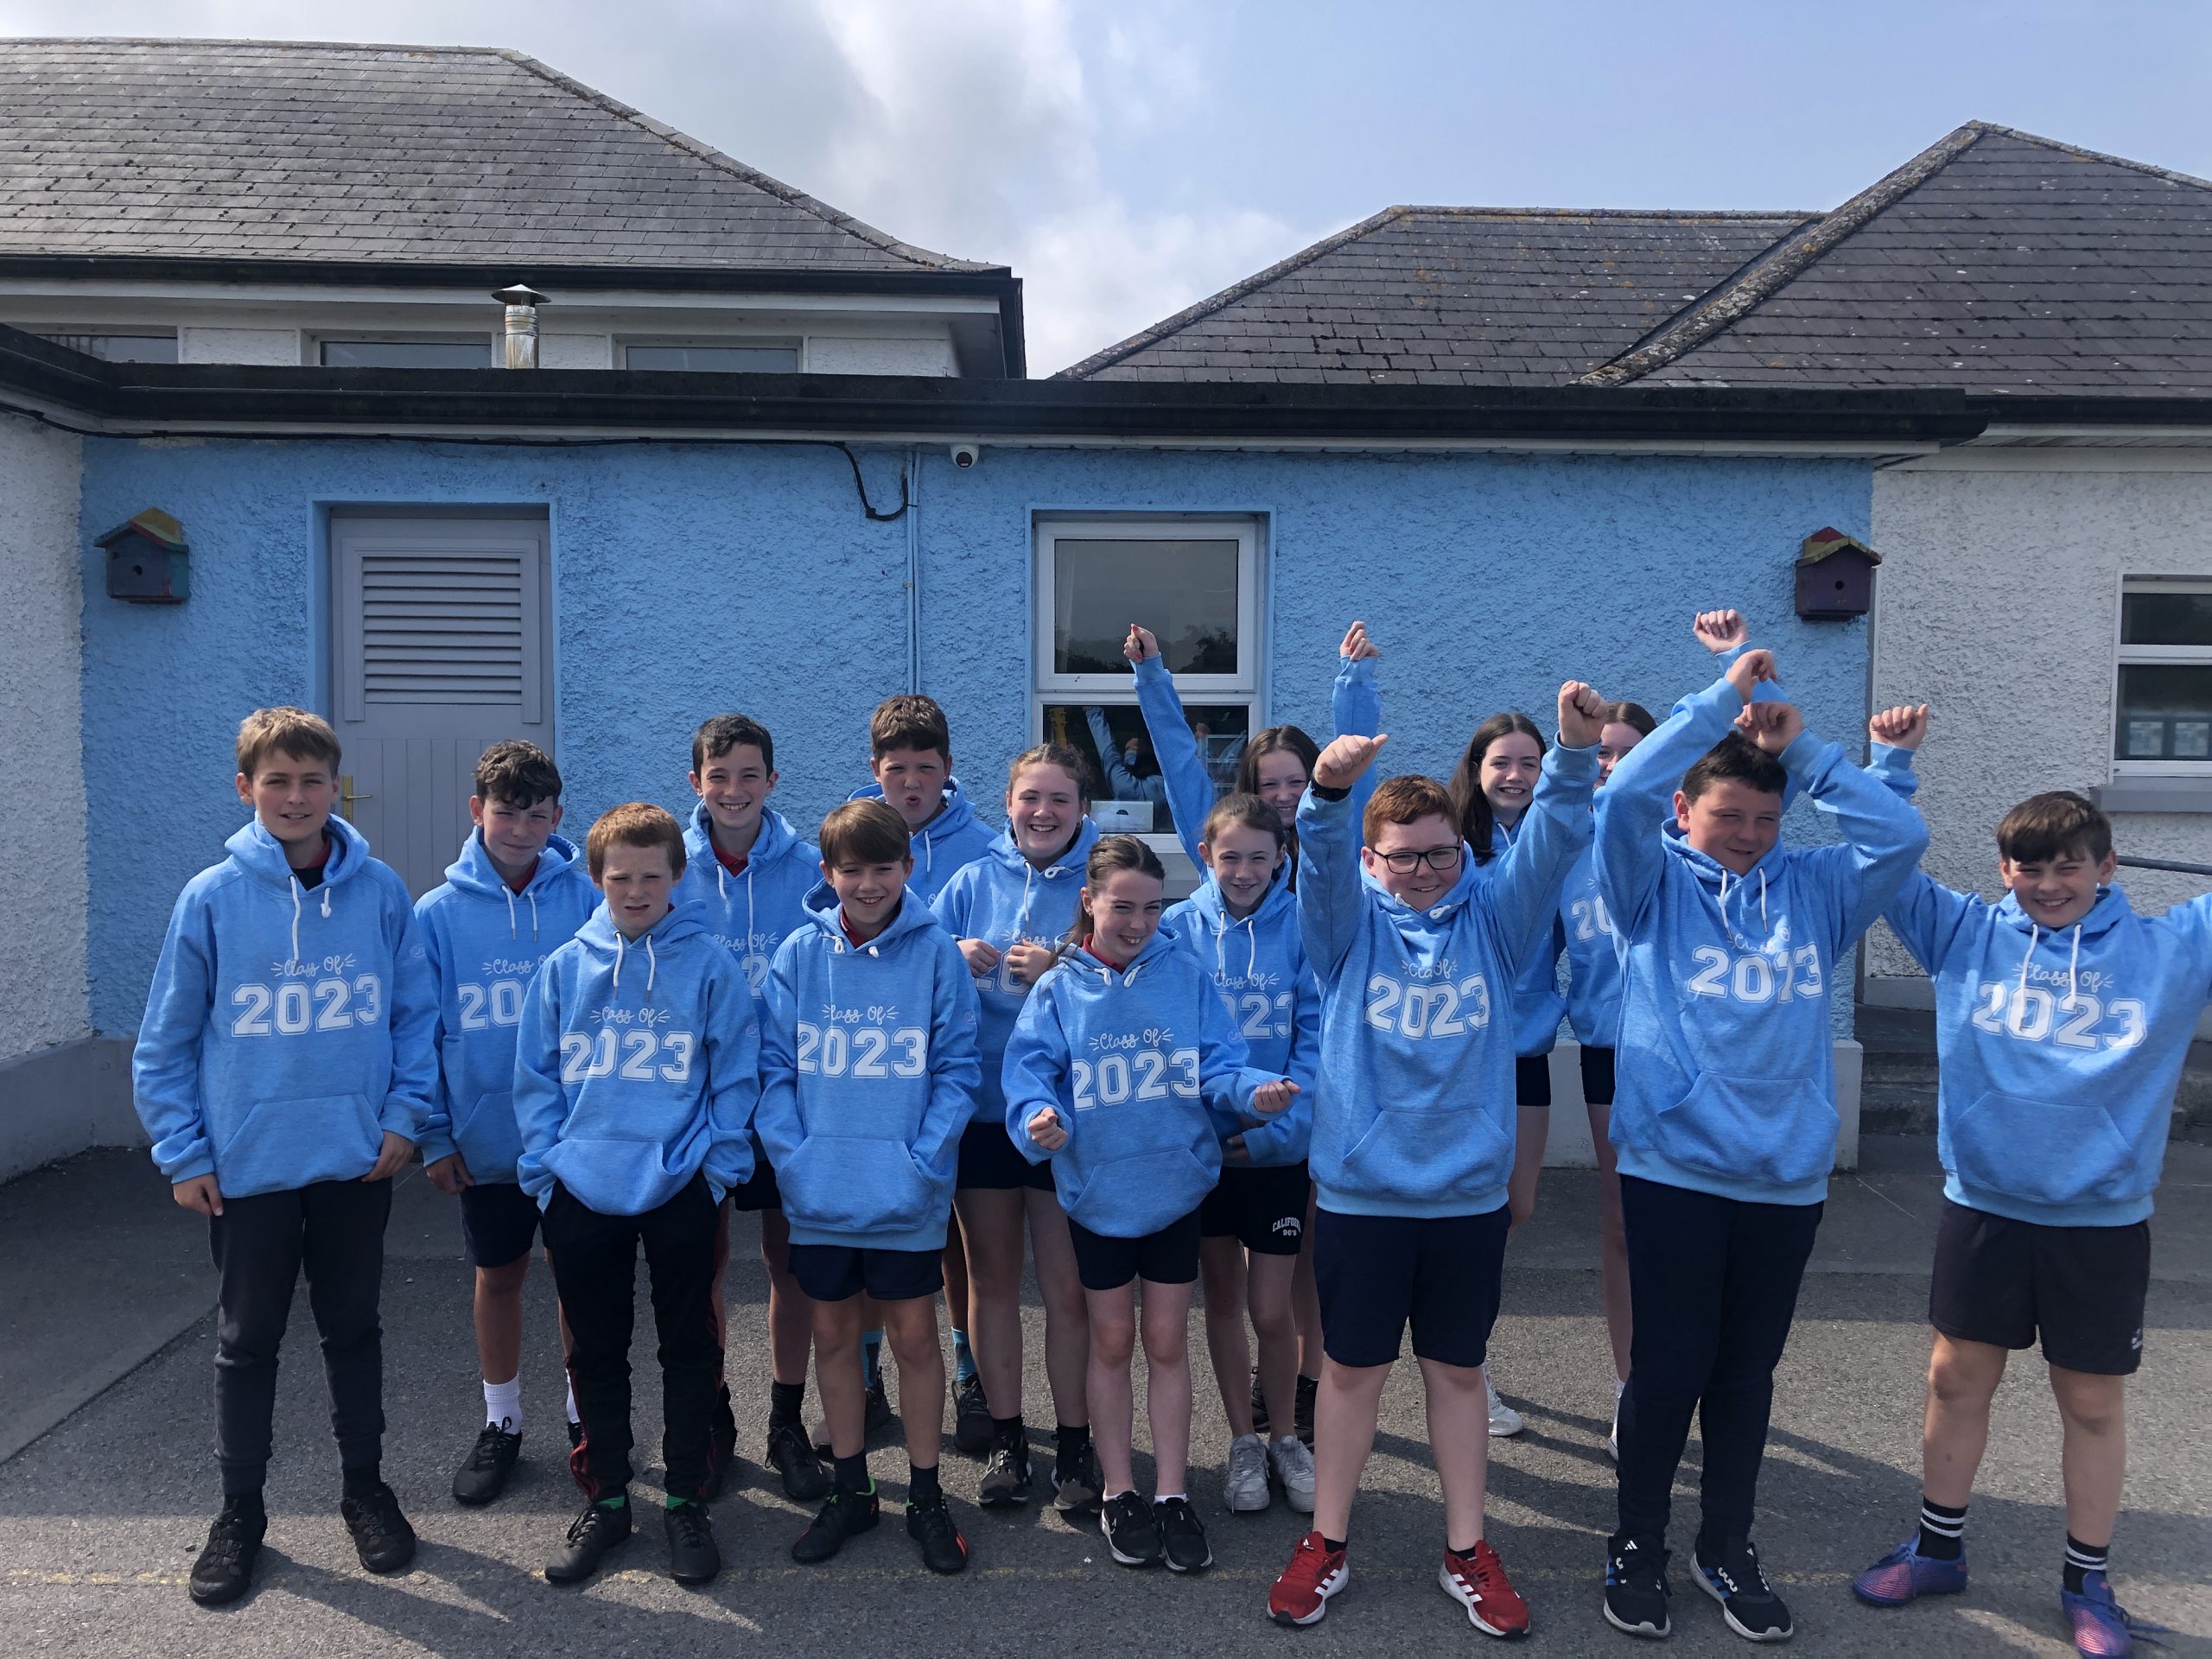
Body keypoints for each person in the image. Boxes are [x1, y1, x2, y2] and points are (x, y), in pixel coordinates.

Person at [1593, 647, 1927, 1644]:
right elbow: (1622, 798)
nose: (1746, 835)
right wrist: (1720, 704)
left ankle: (1725, 1546)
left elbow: (1900, 835)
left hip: (1783, 1177)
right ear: (1684, 812)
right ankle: (1637, 1543)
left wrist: (1806, 752)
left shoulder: (1816, 889)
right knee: (1668, 1369)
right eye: (1727, 815)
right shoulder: (1648, 883)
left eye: (1764, 820)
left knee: (1745, 1375)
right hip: (1673, 1169)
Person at [1850, 708, 2196, 1659]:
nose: (2048, 885)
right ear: (2004, 870)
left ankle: (2087, 1582)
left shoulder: (2171, 952)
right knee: (1955, 1379)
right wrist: (1891, 766)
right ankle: (1936, 1550)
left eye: (2067, 866)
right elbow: (1880, 858)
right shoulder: (1963, 934)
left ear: (2106, 867)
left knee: (2089, 1402)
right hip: (1984, 1208)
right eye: (2028, 867)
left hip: (2101, 1221)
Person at [1267, 680, 1608, 1638]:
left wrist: (1574, 753)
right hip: (1365, 1198)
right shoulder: (1343, 931)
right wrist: (1328, 795)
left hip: (1464, 1198)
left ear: (1464, 853)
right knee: (1350, 1373)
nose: (1424, 872)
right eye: (1404, 857)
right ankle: (1327, 1542)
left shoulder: (1494, 922)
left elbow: (1551, 841)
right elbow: (1320, 864)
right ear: (1372, 860)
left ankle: (1466, 1550)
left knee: (1457, 1374)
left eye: (1441, 854)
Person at [132, 707, 436, 1605]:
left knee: (353, 1329)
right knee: (247, 1343)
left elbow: (416, 1015)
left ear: (335, 787)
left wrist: (405, 1117)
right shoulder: (210, 898)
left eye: (312, 781)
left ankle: (365, 1489)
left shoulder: (380, 891)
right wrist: (184, 1152)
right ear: (246, 790)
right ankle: (240, 1513)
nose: (296, 797)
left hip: (354, 1161)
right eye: (278, 781)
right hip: (247, 1168)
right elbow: (165, 1040)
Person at [1126, 617, 1382, 1449]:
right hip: (1214, 1129)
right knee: (1237, 1295)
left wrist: (1354, 684)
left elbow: (1354, 771)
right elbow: (1179, 766)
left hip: (1299, 1117)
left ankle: (1305, 1396)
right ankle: (1263, 1417)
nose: (1282, 796)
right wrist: (1153, 678)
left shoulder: (1324, 890)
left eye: (1295, 782)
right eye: (1268, 785)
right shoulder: (1207, 895)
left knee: (1303, 1273)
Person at [1007, 836, 1294, 1573]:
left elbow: (1221, 1064)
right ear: (1089, 901)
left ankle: (1171, 1493)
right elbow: (1030, 1077)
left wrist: (1253, 1093)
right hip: (1098, 1194)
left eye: (1152, 907)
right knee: (1111, 1340)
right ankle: (1118, 1491)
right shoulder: (1058, 988)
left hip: (1173, 1191)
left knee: (1166, 1340)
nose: (1138, 922)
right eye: (1122, 907)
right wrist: (1038, 1119)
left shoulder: (1185, 974)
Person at [514, 804, 758, 1588]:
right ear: (596, 878)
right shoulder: (565, 968)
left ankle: (685, 1499)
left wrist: (715, 1170)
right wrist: (547, 1174)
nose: (637, 890)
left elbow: (736, 1075)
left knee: (689, 1347)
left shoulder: (709, 966)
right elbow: (536, 1078)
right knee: (596, 1351)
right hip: (581, 1189)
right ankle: (609, 1500)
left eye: (652, 876)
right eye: (621, 877)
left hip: (682, 1184)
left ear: (677, 876)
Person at [756, 798, 982, 1575]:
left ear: (908, 869)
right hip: (820, 1189)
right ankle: (851, 1489)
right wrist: (795, 1159)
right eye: (851, 870)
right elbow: (773, 1069)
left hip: (905, 1193)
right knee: (832, 1337)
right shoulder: (799, 954)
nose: (868, 883)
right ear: (827, 874)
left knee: (915, 1337)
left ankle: (925, 1494)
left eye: (884, 868)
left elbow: (957, 1070)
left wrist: (922, 1162)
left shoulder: (936, 954)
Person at [414, 740, 597, 1505]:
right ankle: (503, 1419)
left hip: (576, 1137)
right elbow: (419, 1029)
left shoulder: (585, 899)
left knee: (578, 1278)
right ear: (476, 811)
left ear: (557, 816)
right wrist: (433, 1133)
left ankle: (586, 1415)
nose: (521, 830)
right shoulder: (437, 914)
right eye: (506, 813)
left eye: (536, 815)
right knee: (499, 1276)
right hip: (486, 1141)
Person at [933, 745, 1103, 1512]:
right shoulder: (972, 881)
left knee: (1067, 1289)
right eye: (1030, 797)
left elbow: (1138, 971)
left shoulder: (1101, 878)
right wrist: (951, 953)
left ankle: (1075, 1443)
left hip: (1065, 1115)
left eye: (1059, 799)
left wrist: (1063, 968)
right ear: (1007, 804)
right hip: (985, 1113)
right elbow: (912, 959)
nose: (1043, 812)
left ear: (1081, 807)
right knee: (992, 1282)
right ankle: (1007, 1436)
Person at [676, 714, 831, 1502]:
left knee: (786, 1263)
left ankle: (786, 1419)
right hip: (696, 1102)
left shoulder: (809, 869)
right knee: (702, 1266)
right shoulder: (671, 868)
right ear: (695, 783)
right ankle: (713, 1417)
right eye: (719, 776)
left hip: (784, 1099)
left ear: (773, 781)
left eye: (748, 776)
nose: (733, 791)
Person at [851, 693, 996, 1440]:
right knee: (878, 1234)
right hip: (875, 1077)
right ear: (875, 769)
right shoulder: (854, 836)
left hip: (955, 1073)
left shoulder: (986, 847)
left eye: (926, 768)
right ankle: (867, 1376)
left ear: (949, 767)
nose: (911, 783)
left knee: (959, 1241)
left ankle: (971, 1375)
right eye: (896, 769)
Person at [1446, 709, 1556, 1439]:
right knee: (1471, 1213)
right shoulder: (1453, 846)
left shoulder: (1557, 842)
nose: (1515, 776)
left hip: (1526, 1054)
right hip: (1461, 1057)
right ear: (1477, 769)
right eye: (1501, 763)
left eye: (1529, 763)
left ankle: (1458, 1345)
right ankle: (1467, 1363)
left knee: (1515, 1208)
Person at [1560, 702, 1658, 1459]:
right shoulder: (1566, 847)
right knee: (1625, 1221)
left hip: (1683, 1057)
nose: (1612, 766)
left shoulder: (1679, 842)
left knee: (1687, 1225)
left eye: (1627, 753)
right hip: (1606, 1051)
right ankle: (1632, 1384)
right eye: (1601, 753)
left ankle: (1680, 1375)